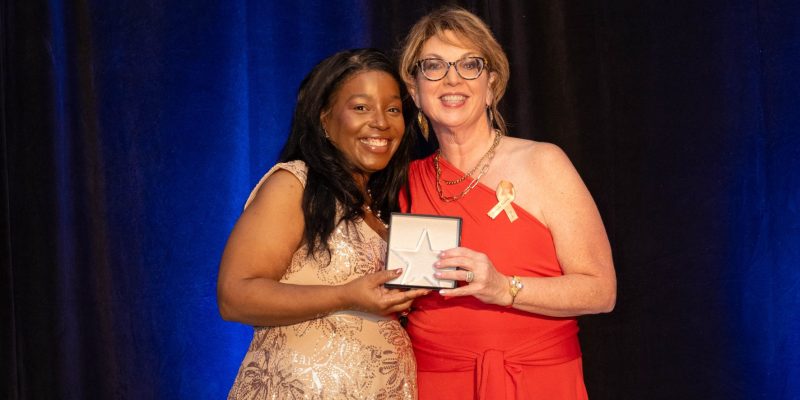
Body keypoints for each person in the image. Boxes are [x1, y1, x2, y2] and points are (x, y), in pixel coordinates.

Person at [396, 7, 617, 399]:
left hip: (535, 382)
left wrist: (504, 288)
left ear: (492, 85)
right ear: (414, 89)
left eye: (470, 65)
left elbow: (600, 291)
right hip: (434, 383)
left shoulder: (543, 162)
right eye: (433, 66)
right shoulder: (403, 181)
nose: (452, 79)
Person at [217, 48, 428, 399]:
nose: (381, 122)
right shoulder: (294, 184)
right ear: (324, 120)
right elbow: (234, 295)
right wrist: (345, 296)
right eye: (361, 107)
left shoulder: (386, 206)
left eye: (393, 109)